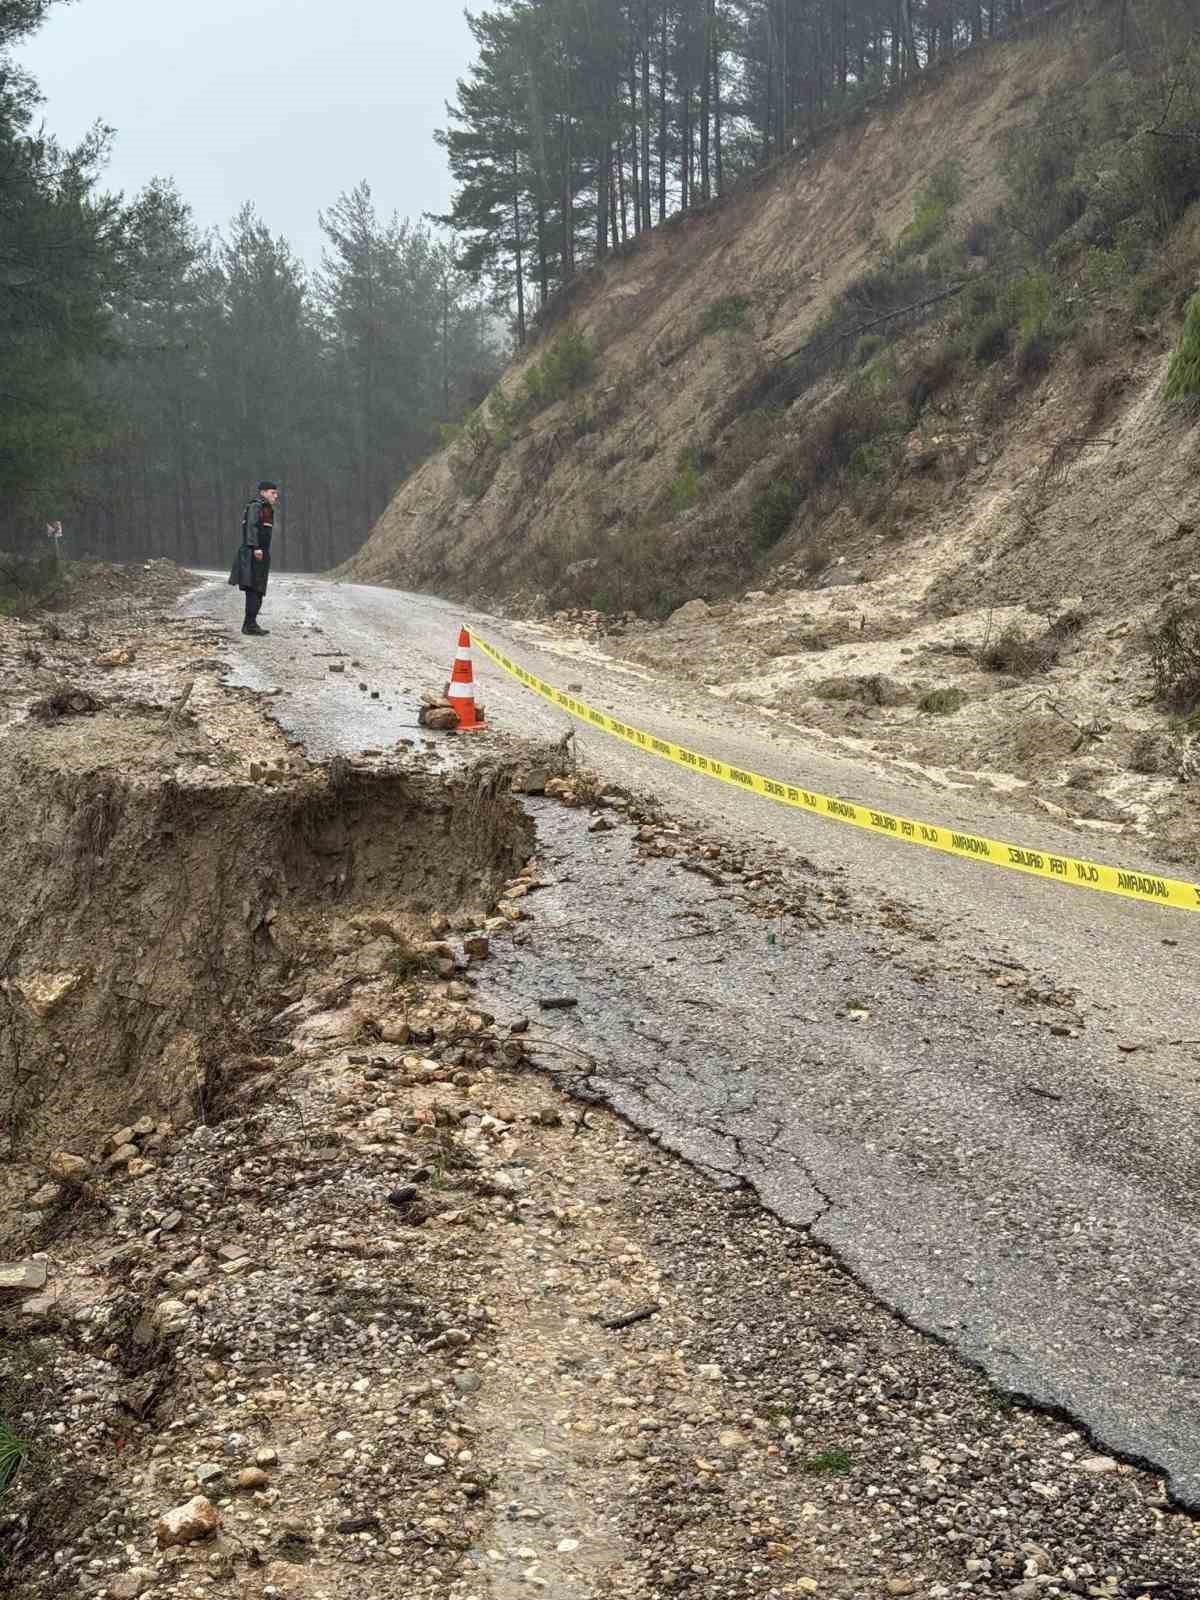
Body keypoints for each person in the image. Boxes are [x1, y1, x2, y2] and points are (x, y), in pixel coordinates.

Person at [228, 481, 279, 636]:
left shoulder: (266, 508)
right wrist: (255, 547)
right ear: (263, 492)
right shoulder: (256, 506)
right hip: (253, 553)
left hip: (261, 553)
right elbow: (251, 526)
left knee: (258, 589)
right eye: (272, 492)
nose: (275, 496)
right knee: (253, 589)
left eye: (276, 493)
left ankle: (251, 623)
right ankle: (249, 625)